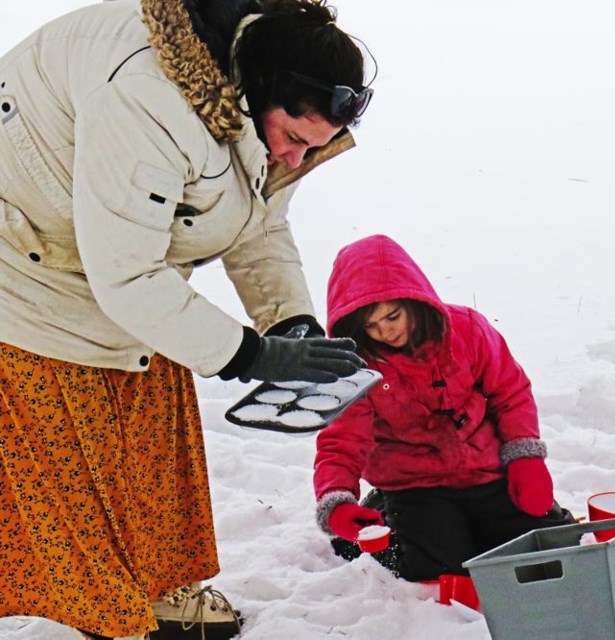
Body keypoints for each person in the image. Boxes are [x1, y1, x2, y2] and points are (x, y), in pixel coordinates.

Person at [0, 1, 373, 638]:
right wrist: (249, 356)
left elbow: (259, 218)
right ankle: (112, 619)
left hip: (117, 253)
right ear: (258, 98)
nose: (293, 159)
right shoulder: (148, 99)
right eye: (293, 140)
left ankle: (163, 595)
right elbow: (127, 276)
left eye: (310, 149)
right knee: (70, 475)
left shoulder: (269, 103)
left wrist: (288, 321)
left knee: (151, 442)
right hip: (25, 267)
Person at [313, 234, 574, 581]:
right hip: (415, 486)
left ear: (413, 301)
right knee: (439, 569)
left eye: (392, 316)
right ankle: (385, 514)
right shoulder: (354, 366)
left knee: (541, 549)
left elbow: (511, 394)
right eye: (371, 326)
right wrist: (337, 502)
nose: (385, 332)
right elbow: (341, 439)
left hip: (487, 471)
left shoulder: (468, 330)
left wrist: (526, 459)